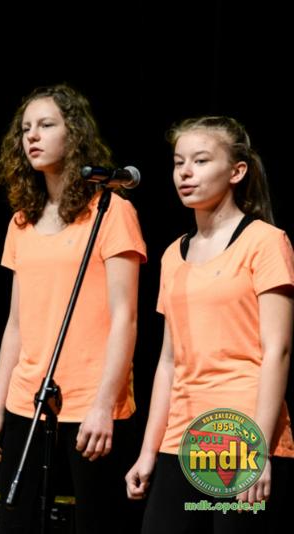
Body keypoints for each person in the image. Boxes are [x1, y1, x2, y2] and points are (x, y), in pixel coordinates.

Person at [0, 83, 146, 533]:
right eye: (26, 129)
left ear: (74, 135)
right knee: (16, 522)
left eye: (46, 125)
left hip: (91, 400)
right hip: (27, 400)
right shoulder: (21, 220)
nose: (32, 136)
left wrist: (104, 405)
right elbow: (15, 325)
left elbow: (126, 317)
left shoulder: (111, 210)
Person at [125, 116, 294, 532]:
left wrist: (259, 449)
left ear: (237, 171)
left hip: (241, 433)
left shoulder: (265, 242)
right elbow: (168, 361)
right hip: (182, 437)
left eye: (200, 161)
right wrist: (148, 451)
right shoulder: (172, 255)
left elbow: (277, 350)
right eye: (178, 162)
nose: (185, 172)